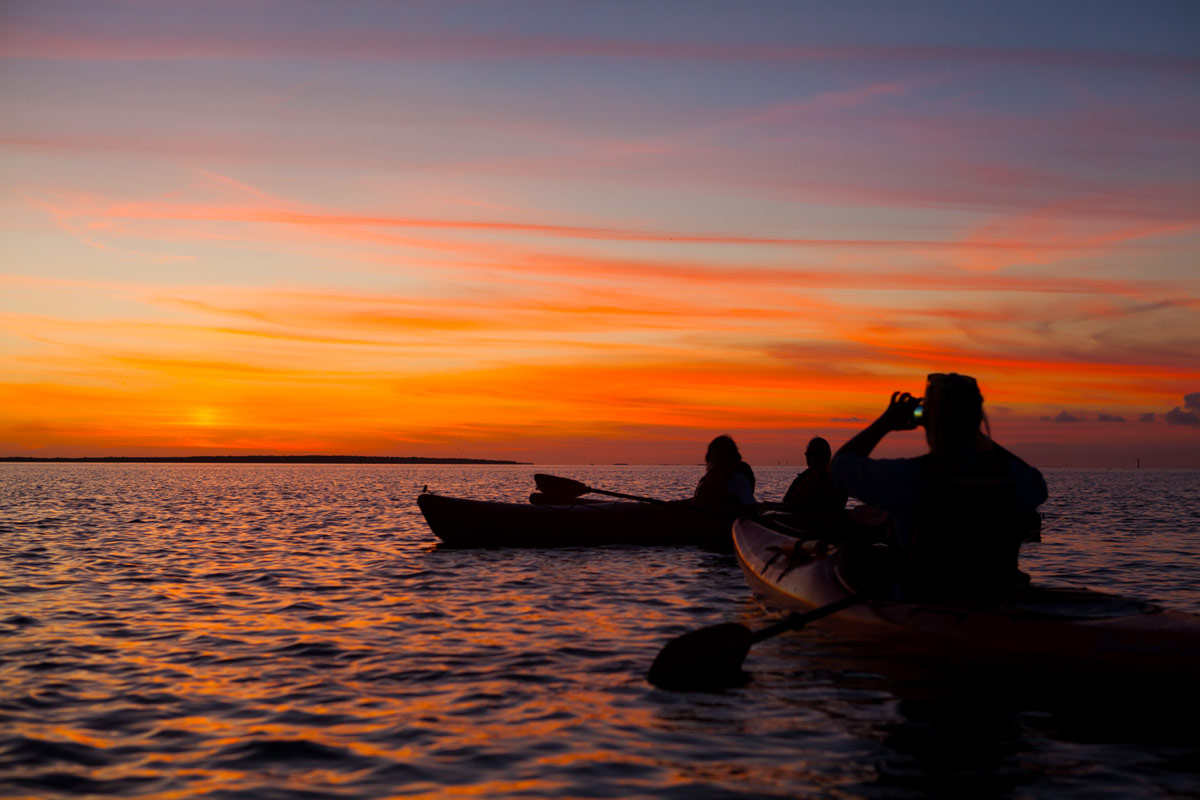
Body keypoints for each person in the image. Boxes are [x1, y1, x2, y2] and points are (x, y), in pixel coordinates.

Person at [830, 373, 1047, 602]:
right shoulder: (1015, 478)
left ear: (928, 421)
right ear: (976, 419)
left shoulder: (908, 477)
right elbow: (1038, 484)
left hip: (929, 598)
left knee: (851, 553)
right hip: (997, 595)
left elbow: (838, 468)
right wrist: (976, 434)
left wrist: (886, 422)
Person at [781, 437, 847, 514]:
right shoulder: (804, 476)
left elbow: (824, 505)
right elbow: (787, 500)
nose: (811, 458)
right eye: (808, 454)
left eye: (816, 454)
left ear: (827, 455)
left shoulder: (835, 478)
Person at [691, 434, 756, 514]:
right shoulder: (713, 475)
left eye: (722, 452)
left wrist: (720, 510)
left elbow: (751, 507)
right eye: (715, 453)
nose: (716, 456)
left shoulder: (737, 478)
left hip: (724, 521)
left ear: (731, 455)